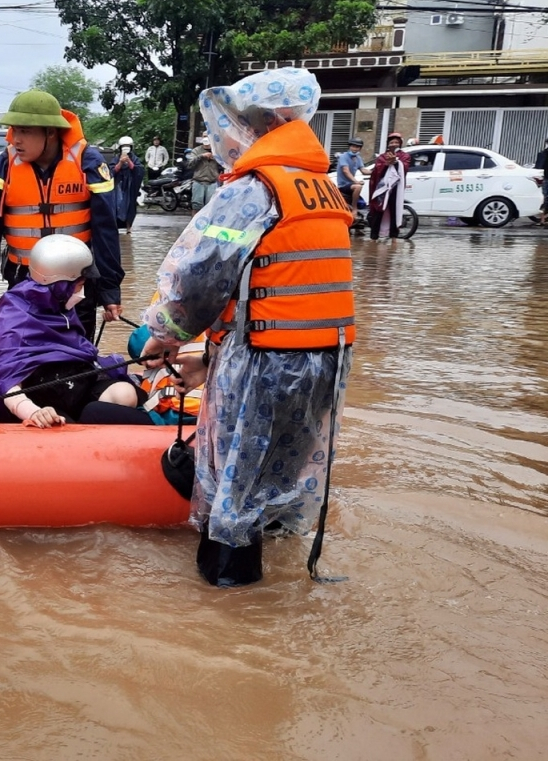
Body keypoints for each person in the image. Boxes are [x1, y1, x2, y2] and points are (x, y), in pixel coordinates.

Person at [141, 67, 354, 587]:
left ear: (254, 126)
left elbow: (199, 278)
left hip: (264, 362)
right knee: (287, 470)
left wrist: (162, 335)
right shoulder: (321, 187)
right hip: (327, 358)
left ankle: (229, 600)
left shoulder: (254, 190)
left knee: (234, 479)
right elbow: (280, 283)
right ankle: (281, 596)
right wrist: (210, 358)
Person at [0, 89, 123, 342]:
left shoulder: (88, 163)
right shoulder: (5, 166)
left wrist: (110, 291)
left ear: (50, 132)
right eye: (14, 130)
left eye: (25, 131)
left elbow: (106, 233)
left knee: (76, 362)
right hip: (23, 284)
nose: (15, 139)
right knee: (25, 362)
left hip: (77, 286)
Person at [0, 234, 150, 428]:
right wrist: (33, 411)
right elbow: (5, 381)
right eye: (80, 286)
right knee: (61, 425)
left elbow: (78, 351)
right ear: (61, 285)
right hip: (39, 397)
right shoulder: (16, 314)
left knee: (125, 394)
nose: (82, 293)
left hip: (73, 383)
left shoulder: (59, 303)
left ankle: (92, 426)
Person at [368, 132, 411, 240]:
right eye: (392, 142)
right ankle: (374, 236)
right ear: (388, 144)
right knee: (379, 210)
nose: (394, 144)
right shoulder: (382, 156)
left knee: (394, 211)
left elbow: (404, 168)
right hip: (382, 189)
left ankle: (393, 236)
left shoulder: (405, 156)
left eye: (396, 142)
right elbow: (377, 171)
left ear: (400, 144)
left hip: (396, 189)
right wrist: (386, 164)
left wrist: (396, 162)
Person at [112, 136, 145, 234]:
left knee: (129, 206)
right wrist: (121, 163)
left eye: (128, 146)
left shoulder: (134, 158)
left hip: (130, 186)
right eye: (124, 146)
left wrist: (129, 162)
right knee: (117, 205)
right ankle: (115, 226)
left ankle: (128, 227)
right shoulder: (116, 158)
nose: (126, 148)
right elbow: (111, 171)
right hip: (118, 185)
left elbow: (138, 171)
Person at [336, 137, 368, 222]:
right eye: (353, 146)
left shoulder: (358, 158)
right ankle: (354, 208)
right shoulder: (343, 157)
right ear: (350, 146)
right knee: (358, 187)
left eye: (357, 147)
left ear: (360, 148)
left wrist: (377, 171)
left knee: (357, 187)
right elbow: (345, 171)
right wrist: (356, 181)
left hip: (351, 185)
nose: (355, 148)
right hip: (343, 185)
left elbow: (363, 170)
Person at [188, 136, 221, 210]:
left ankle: (208, 222)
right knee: (196, 206)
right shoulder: (196, 150)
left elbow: (224, 165)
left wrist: (216, 158)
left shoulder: (217, 150)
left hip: (212, 182)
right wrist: (201, 156)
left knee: (210, 207)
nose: (206, 138)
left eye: (207, 136)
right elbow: (190, 164)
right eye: (204, 136)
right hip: (199, 181)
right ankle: (194, 221)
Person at [534, 137, 548, 226]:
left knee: (544, 198)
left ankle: (543, 219)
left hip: (544, 178)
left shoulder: (542, 153)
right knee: (544, 198)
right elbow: (539, 167)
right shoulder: (543, 154)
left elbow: (538, 167)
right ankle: (543, 219)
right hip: (545, 178)